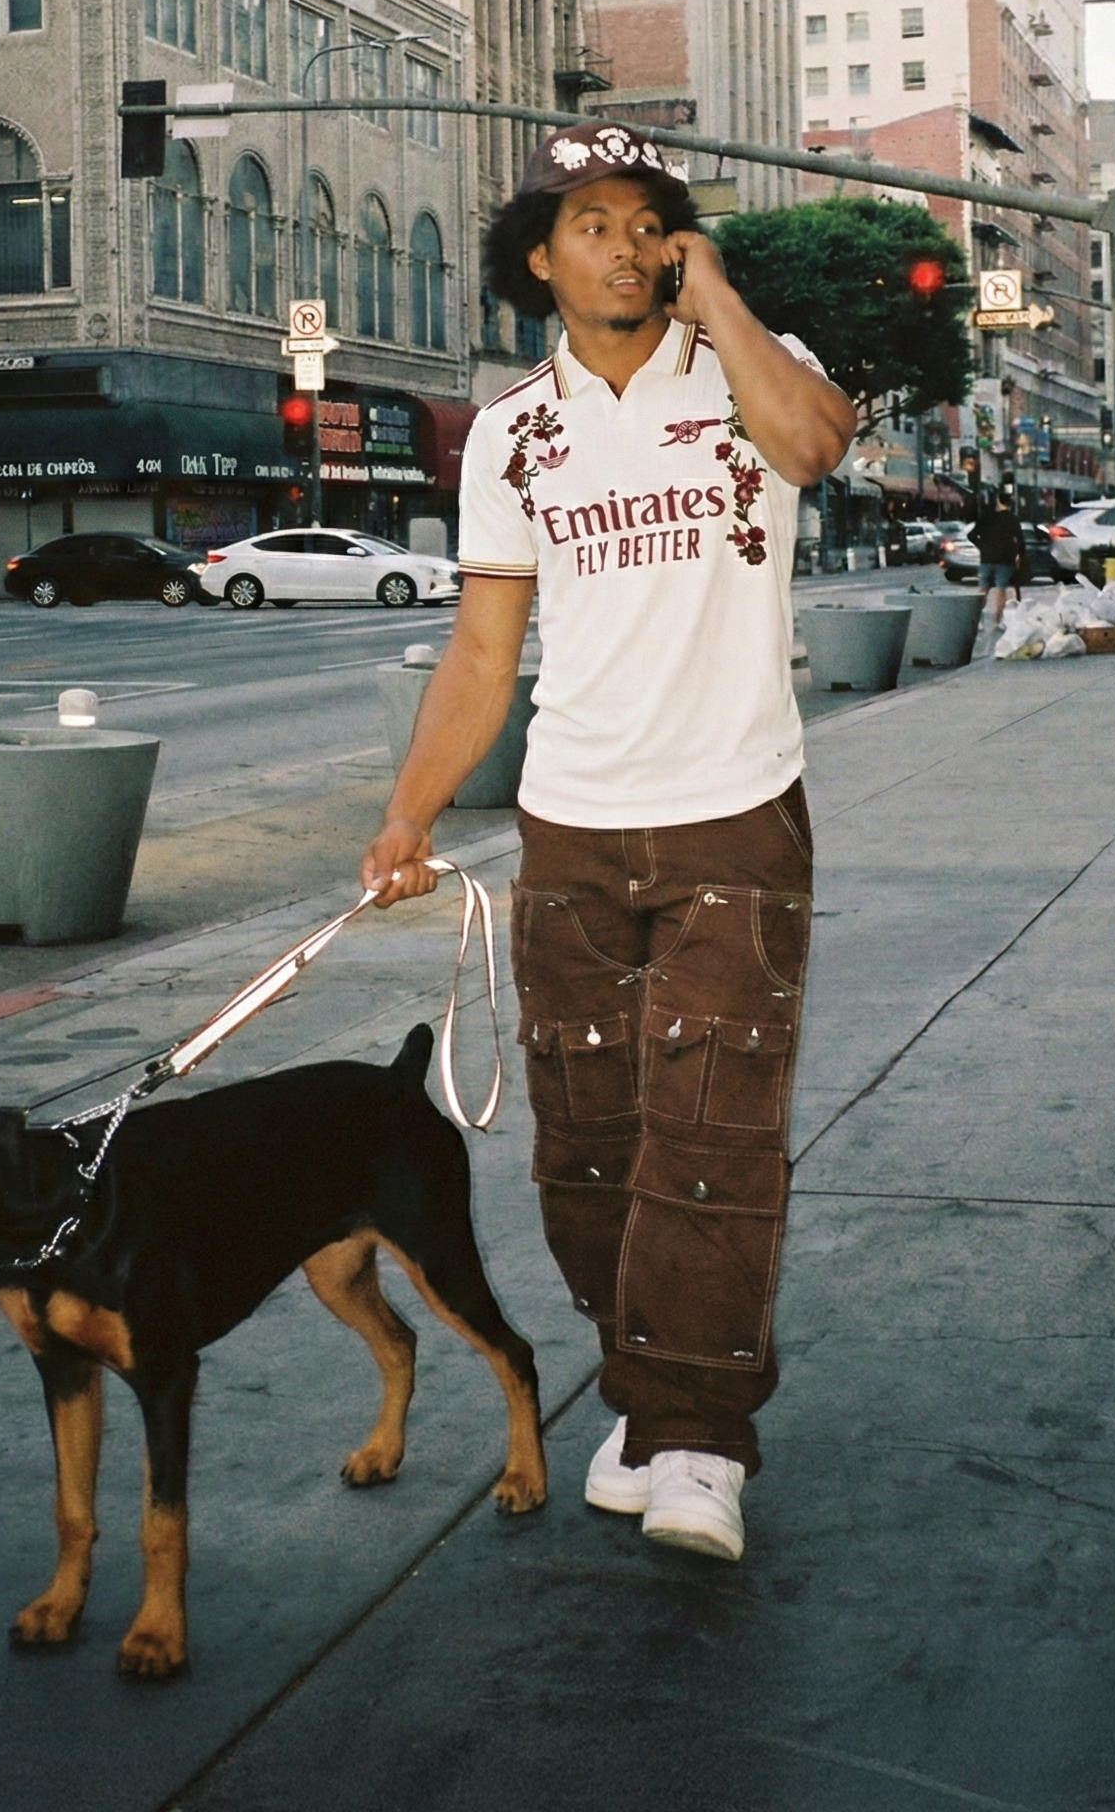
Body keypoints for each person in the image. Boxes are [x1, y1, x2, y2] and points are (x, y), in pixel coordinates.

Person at [358, 121, 856, 1563]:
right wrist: (407, 813)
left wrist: (724, 298)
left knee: (711, 1142)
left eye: (653, 222)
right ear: (540, 257)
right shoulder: (516, 432)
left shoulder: (756, 374)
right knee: (587, 1157)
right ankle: (645, 1390)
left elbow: (815, 447)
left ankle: (699, 1438)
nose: (628, 246)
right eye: (595, 223)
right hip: (570, 834)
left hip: (734, 816)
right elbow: (480, 650)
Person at [969, 492, 1023, 627]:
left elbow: (971, 535)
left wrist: (982, 546)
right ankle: (997, 621)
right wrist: (1018, 555)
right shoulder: (1013, 519)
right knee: (1001, 589)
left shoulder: (987, 518)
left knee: (983, 589)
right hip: (1006, 559)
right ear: (1010, 504)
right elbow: (1020, 541)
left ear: (998, 501)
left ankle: (977, 621)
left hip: (987, 558)